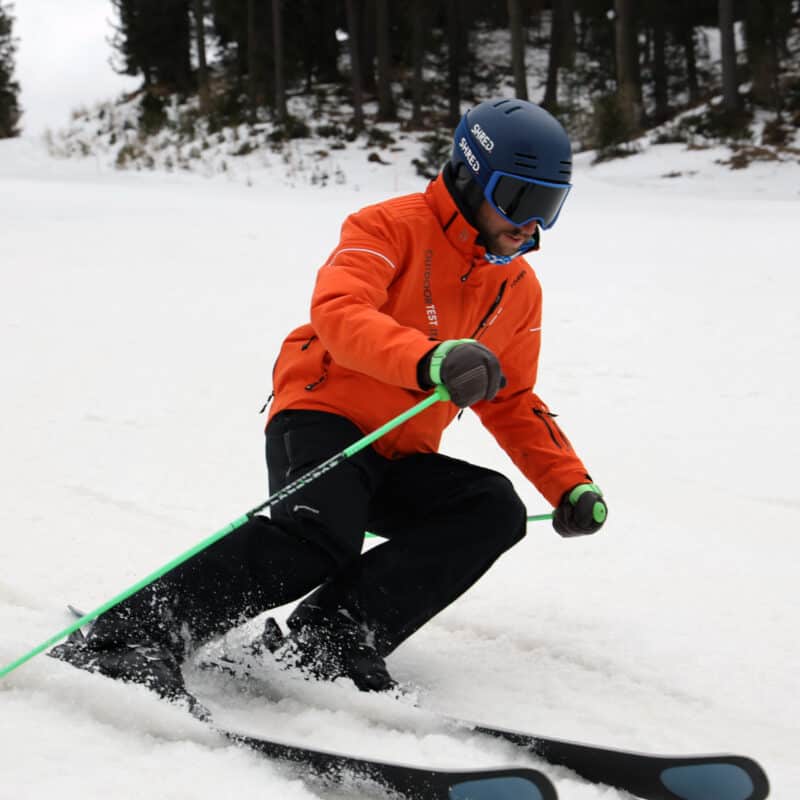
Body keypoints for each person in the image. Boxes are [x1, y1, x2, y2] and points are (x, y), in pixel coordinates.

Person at [50, 98, 607, 712]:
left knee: (491, 508)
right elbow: (341, 315)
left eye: (549, 207)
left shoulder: (518, 288)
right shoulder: (387, 226)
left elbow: (514, 398)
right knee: (316, 539)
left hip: (400, 450)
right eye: (520, 201)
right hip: (323, 417)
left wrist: (568, 485)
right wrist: (429, 359)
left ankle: (333, 640)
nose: (533, 225)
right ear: (472, 176)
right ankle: (125, 639)